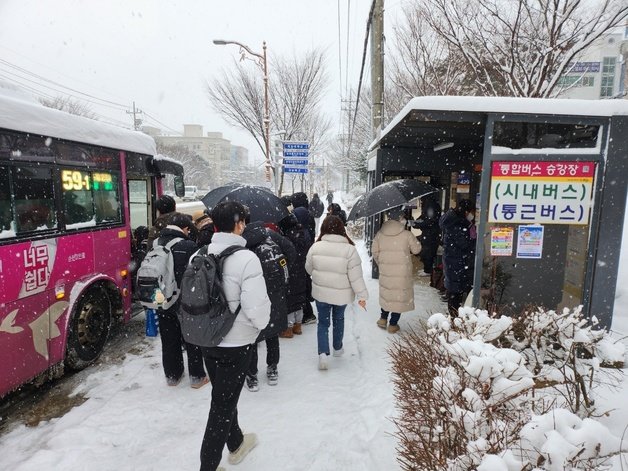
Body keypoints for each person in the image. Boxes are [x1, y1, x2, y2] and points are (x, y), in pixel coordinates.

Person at [199, 201, 271, 471]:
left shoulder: (201, 253)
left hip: (208, 340)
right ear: (239, 224)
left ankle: (237, 441)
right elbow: (258, 310)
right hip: (236, 344)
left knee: (222, 396)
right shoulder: (247, 258)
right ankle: (208, 466)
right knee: (221, 406)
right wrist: (260, 325)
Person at [305, 215, 368, 371]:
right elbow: (356, 277)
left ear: (323, 229)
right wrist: (362, 295)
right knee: (339, 319)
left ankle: (323, 354)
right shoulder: (349, 250)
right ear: (342, 229)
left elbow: (308, 269)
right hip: (341, 295)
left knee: (323, 323)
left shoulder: (315, 247)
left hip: (321, 293)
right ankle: (338, 348)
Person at [154, 212, 209, 388]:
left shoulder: (155, 243)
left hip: (161, 297)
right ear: (185, 228)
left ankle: (172, 375)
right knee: (191, 336)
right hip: (184, 297)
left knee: (168, 338)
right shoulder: (189, 245)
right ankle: (197, 377)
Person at [241, 214, 290, 391]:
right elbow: (290, 253)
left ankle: (251, 375)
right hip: (275, 296)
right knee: (272, 334)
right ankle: (272, 369)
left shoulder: (243, 245)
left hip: (254, 298)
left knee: (253, 338)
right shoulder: (272, 238)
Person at [372, 207, 421, 334]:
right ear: (400, 218)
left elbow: (375, 252)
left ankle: (383, 319)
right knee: (398, 296)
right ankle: (393, 324)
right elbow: (416, 250)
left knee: (387, 293)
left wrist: (382, 263)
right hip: (402, 272)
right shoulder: (406, 234)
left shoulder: (379, 234)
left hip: (386, 270)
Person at [439, 199, 477, 317]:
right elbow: (465, 244)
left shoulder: (455, 222)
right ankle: (454, 317)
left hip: (454, 262)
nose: (472, 215)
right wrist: (474, 239)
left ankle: (455, 315)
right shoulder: (458, 225)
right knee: (455, 292)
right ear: (465, 212)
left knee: (455, 290)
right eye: (471, 212)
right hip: (457, 263)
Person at [277, 213, 310, 338]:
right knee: (299, 299)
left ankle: (288, 328)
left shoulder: (286, 239)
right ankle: (298, 325)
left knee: (289, 301)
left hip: (289, 273)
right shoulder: (303, 235)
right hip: (301, 272)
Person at [291, 192, 317, 325]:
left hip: (301, 254)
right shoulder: (308, 215)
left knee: (301, 283)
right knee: (304, 281)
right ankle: (307, 311)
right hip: (307, 252)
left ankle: (307, 312)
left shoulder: (297, 216)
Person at [409, 198, 442, 276]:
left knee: (428, 251)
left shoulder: (430, 205)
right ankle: (427, 269)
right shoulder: (430, 204)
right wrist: (416, 222)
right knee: (427, 250)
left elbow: (428, 220)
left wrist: (416, 223)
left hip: (430, 233)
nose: (420, 201)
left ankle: (428, 270)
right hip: (430, 233)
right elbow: (425, 217)